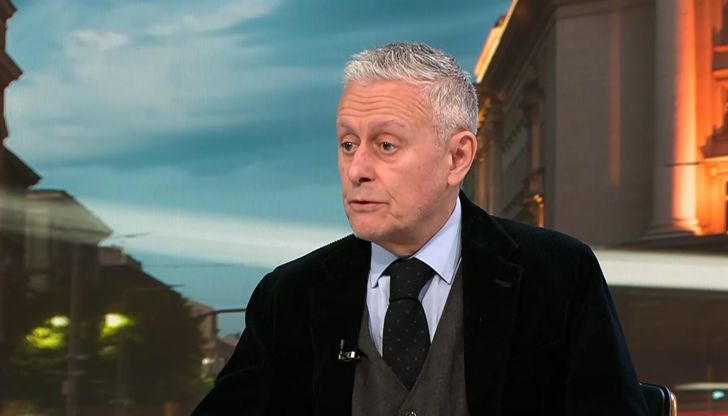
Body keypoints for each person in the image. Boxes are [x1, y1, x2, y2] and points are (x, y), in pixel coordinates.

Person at [191, 42, 649, 416]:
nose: (357, 169)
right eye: (348, 144)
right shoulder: (289, 294)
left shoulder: (559, 275)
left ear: (458, 157)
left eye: (386, 145)